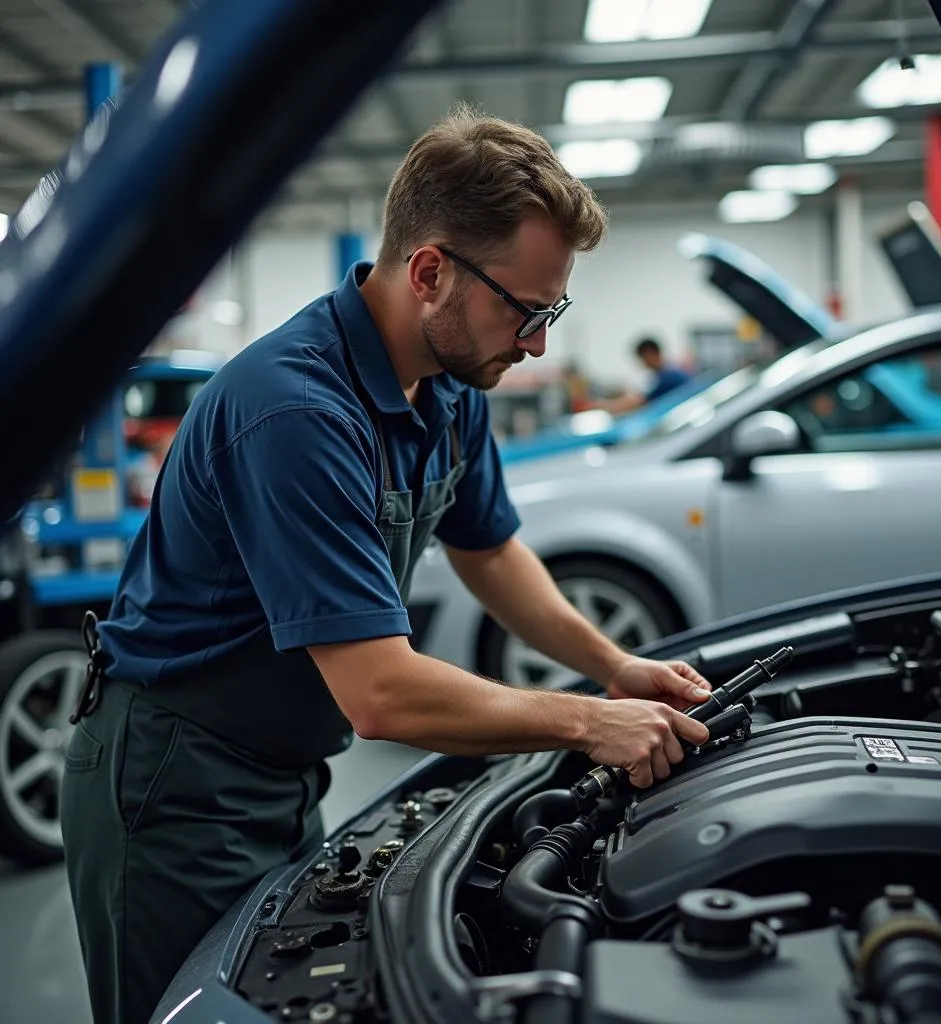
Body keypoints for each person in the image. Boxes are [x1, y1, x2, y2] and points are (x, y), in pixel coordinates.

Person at [60, 106, 712, 1024]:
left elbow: (491, 553)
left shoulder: (453, 383)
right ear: (431, 271)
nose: (536, 345)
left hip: (286, 773)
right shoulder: (294, 412)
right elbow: (382, 695)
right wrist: (589, 723)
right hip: (176, 786)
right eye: (525, 312)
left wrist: (615, 667)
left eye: (550, 311)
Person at [597, 336, 691, 414]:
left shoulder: (669, 377)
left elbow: (638, 402)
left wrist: (601, 406)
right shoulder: (670, 372)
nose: (641, 363)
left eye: (642, 358)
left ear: (650, 354)